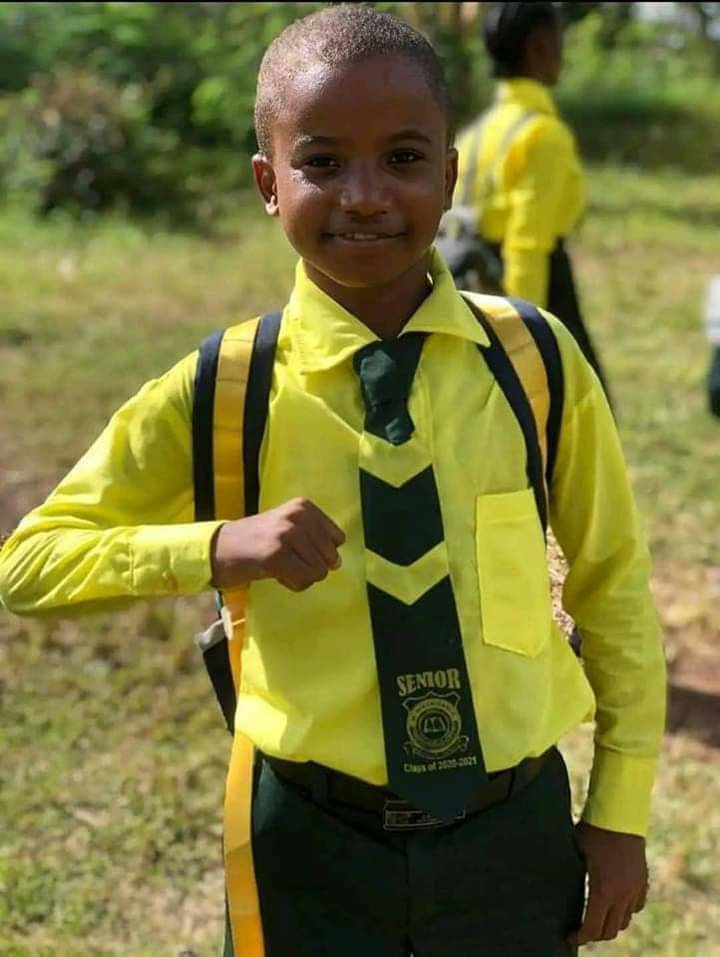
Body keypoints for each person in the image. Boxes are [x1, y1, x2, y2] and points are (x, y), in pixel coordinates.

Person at [0, 5, 665, 956]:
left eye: (403, 158)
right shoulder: (226, 388)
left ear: (449, 175)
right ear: (269, 185)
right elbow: (28, 563)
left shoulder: (535, 363)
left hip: (511, 835)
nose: (364, 195)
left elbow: (613, 589)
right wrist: (216, 546)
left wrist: (621, 810)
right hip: (307, 841)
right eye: (321, 162)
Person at [456, 1, 611, 397]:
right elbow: (527, 245)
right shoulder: (543, 136)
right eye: (559, 41)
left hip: (468, 287)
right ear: (539, 46)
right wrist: (524, 337)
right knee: (580, 405)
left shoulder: (477, 133)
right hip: (531, 292)